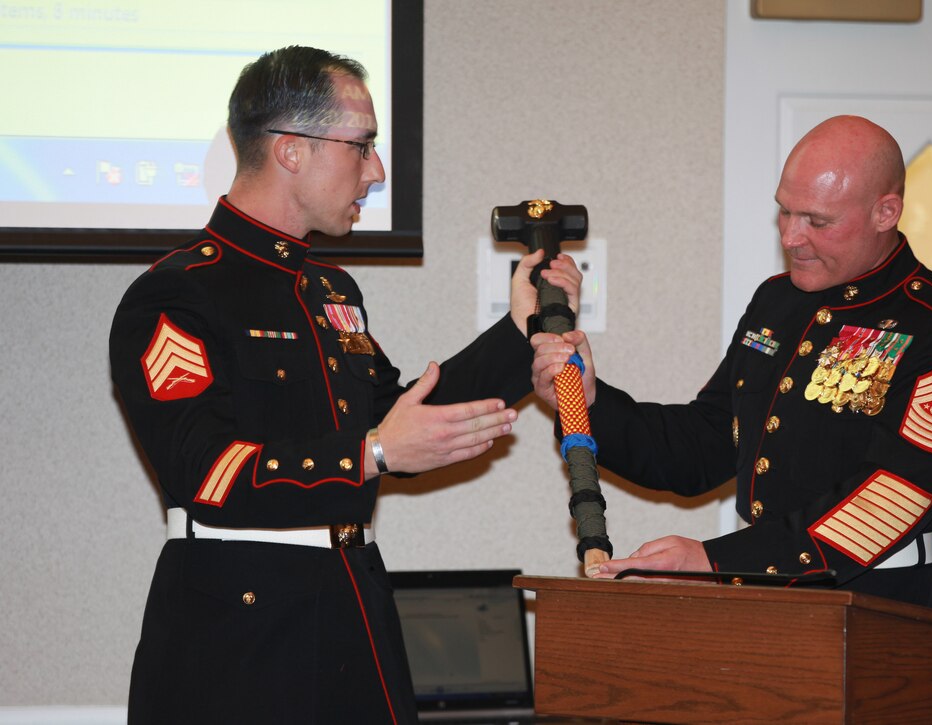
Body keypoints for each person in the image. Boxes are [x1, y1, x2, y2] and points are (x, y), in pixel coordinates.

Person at [110, 46, 581, 724]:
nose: (378, 170)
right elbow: (204, 471)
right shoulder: (176, 295)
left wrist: (518, 332)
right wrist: (372, 455)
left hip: (352, 615)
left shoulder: (331, 290)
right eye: (361, 146)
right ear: (291, 149)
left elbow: (399, 419)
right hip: (237, 640)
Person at [532, 115, 932, 611]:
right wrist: (591, 402)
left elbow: (886, 503)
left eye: (817, 221)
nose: (791, 237)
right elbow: (703, 443)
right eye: (784, 212)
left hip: (879, 608)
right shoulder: (778, 303)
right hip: (760, 600)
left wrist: (715, 562)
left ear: (886, 213)